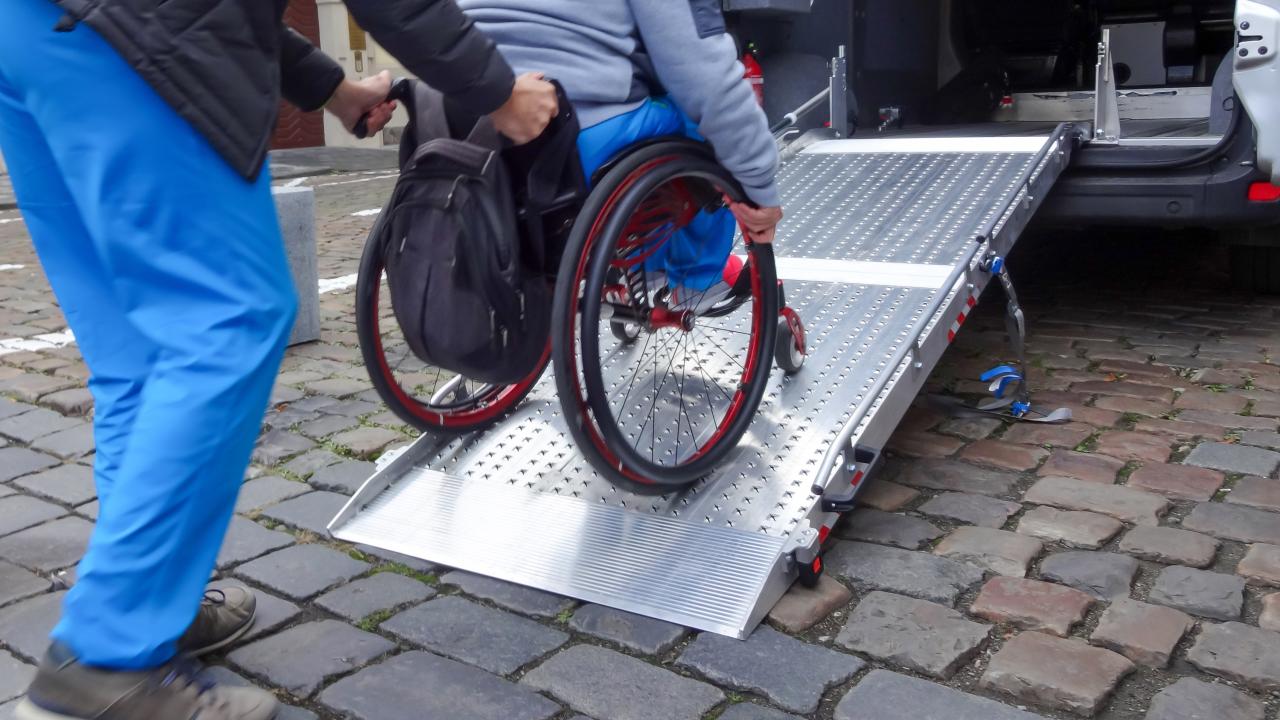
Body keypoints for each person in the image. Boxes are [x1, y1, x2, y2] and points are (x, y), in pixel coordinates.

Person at [0, 2, 557, 719]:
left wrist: (329, 85)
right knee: (226, 320)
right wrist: (498, 90)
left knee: (137, 355)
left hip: (30, 35)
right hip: (131, 40)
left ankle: (144, 595)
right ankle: (108, 654)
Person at [458, 0, 785, 313]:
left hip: (471, 137)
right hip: (572, 140)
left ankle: (644, 267)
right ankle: (698, 280)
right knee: (704, 126)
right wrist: (760, 187)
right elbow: (708, 80)